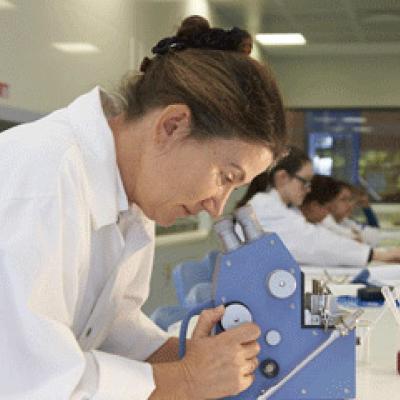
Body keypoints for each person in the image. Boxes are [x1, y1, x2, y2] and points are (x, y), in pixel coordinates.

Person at [0, 16, 287, 400]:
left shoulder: (133, 199)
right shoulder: (44, 176)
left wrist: (197, 358)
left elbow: (112, 332)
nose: (217, 207)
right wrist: (187, 378)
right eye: (224, 176)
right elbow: (30, 380)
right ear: (172, 126)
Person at [237, 146, 400, 267]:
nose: (308, 189)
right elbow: (312, 242)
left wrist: (374, 254)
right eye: (305, 182)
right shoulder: (265, 206)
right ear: (282, 178)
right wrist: (375, 254)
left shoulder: (281, 208)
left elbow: (314, 238)